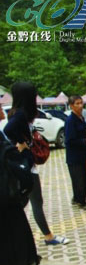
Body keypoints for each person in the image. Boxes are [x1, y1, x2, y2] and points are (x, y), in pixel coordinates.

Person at [4, 82, 69, 246]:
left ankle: (28, 236)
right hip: (25, 167)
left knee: (26, 202)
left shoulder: (16, 113)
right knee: (34, 202)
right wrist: (22, 143)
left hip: (22, 166)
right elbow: (8, 131)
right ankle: (47, 237)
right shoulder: (20, 115)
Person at [1, 82, 49, 265]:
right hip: (6, 192)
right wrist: (20, 149)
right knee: (19, 229)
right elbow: (7, 151)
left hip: (7, 188)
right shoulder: (18, 115)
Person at [65, 95, 86, 210]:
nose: (80, 105)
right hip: (74, 156)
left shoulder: (81, 118)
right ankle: (81, 201)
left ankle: (77, 198)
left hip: (84, 154)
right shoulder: (70, 120)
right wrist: (85, 141)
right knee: (80, 179)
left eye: (81, 103)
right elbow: (69, 140)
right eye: (77, 103)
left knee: (84, 178)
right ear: (71, 106)